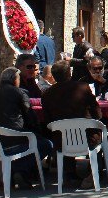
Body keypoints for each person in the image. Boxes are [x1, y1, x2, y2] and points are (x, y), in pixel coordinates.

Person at [0, 67, 53, 189]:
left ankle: (15, 170)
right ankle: (17, 169)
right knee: (47, 144)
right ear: (15, 79)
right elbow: (30, 117)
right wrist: (38, 131)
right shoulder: (19, 93)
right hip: (15, 139)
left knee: (35, 139)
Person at [41, 61, 103, 190]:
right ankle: (93, 171)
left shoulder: (47, 94)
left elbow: (47, 120)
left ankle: (69, 174)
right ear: (69, 73)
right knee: (100, 134)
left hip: (61, 140)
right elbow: (97, 113)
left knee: (64, 133)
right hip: (87, 138)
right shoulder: (83, 87)